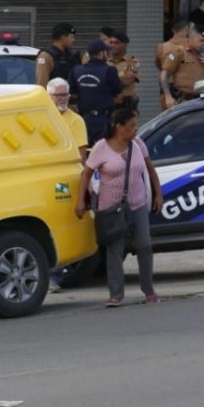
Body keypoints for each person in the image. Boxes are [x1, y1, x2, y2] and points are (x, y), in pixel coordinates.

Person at [75, 108, 163, 308]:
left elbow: (150, 169)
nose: (135, 129)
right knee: (115, 250)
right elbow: (86, 174)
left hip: (137, 203)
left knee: (144, 245)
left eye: (136, 125)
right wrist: (81, 200)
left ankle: (149, 290)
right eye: (131, 126)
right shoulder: (101, 148)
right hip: (111, 207)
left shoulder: (138, 144)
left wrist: (158, 194)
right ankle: (116, 294)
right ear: (118, 127)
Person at [47, 76, 90, 293]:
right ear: (48, 96)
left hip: (65, 181)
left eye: (65, 94)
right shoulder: (40, 119)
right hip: (43, 180)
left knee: (63, 224)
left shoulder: (76, 120)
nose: (62, 99)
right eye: (58, 95)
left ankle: (56, 275)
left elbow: (81, 156)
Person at [70, 39, 122, 147]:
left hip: (84, 118)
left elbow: (72, 91)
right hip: (101, 117)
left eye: (117, 42)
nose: (114, 46)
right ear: (102, 53)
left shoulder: (76, 70)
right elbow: (119, 88)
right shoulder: (109, 70)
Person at [160, 27, 204, 109]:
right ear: (192, 39)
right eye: (201, 41)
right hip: (182, 100)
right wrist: (168, 96)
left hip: (200, 100)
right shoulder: (178, 52)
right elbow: (164, 74)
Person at [35, 22, 80, 89]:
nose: (73, 40)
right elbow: (42, 85)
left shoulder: (71, 56)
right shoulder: (46, 56)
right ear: (63, 37)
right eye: (71, 37)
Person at [107, 30, 140, 114]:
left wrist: (109, 78)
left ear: (125, 45)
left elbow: (127, 81)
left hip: (126, 105)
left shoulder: (133, 61)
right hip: (109, 104)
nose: (112, 45)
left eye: (116, 43)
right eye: (111, 42)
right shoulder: (104, 61)